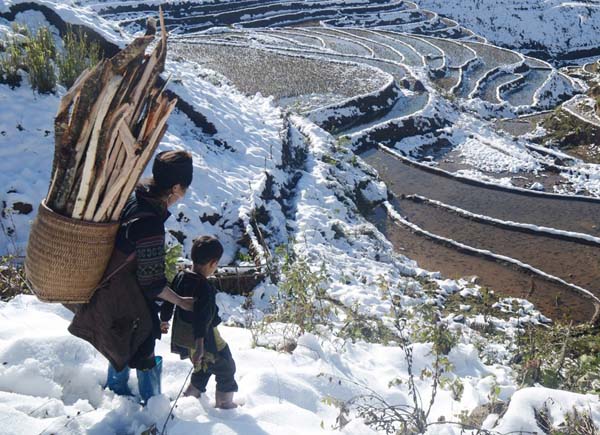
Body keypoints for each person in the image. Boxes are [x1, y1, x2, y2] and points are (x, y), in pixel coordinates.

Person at [71, 150, 195, 404]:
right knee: (143, 348)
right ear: (176, 187)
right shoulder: (150, 223)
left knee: (121, 346)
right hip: (127, 299)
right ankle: (152, 408)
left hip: (111, 291)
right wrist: (181, 301)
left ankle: (116, 397)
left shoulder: (135, 200)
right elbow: (153, 284)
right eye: (185, 188)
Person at [160, 235, 238, 409]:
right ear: (213, 263)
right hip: (205, 340)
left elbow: (169, 300)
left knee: (202, 368)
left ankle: (188, 400)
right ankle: (225, 405)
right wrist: (201, 345)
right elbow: (202, 319)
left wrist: (164, 320)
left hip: (186, 340)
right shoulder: (205, 288)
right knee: (226, 367)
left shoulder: (180, 276)